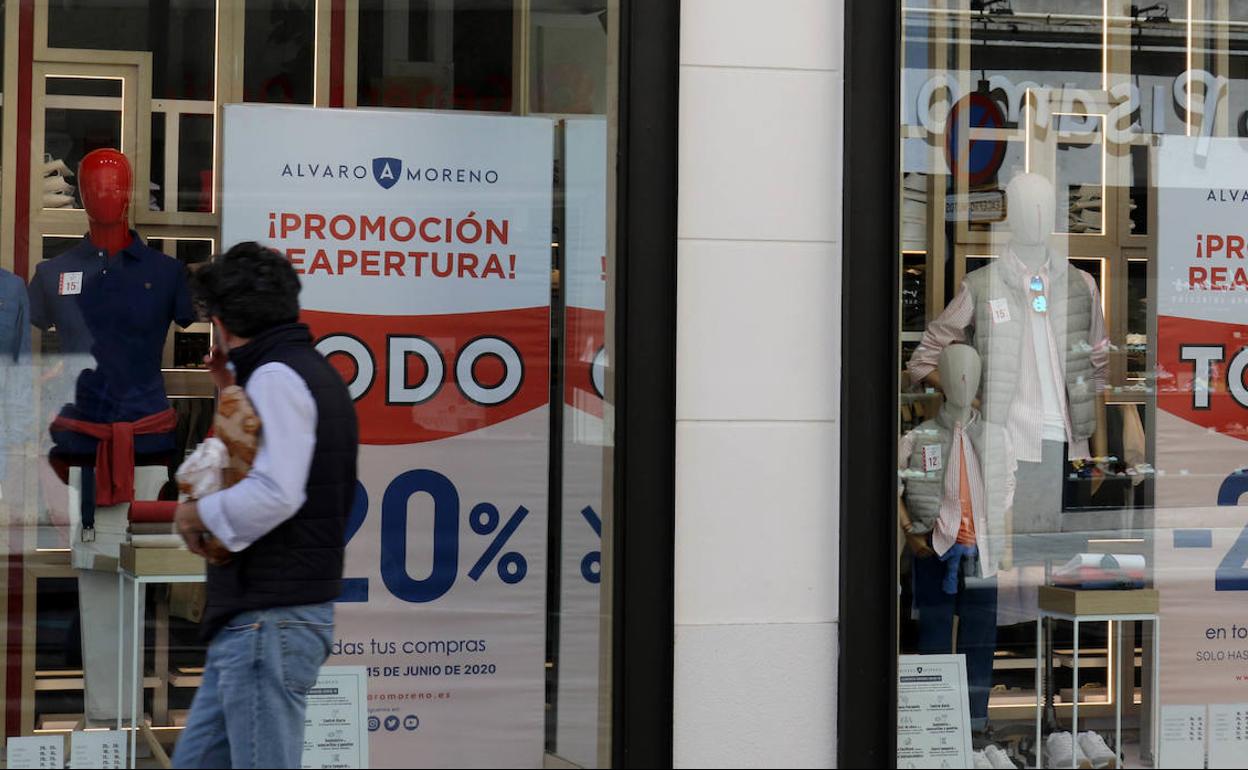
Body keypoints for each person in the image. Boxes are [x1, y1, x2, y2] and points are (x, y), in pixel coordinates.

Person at [171, 242, 359, 769]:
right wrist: (229, 390)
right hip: (266, 619)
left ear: (225, 320)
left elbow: (277, 491)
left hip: (266, 619)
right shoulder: (300, 371)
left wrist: (197, 514)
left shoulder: (276, 376)